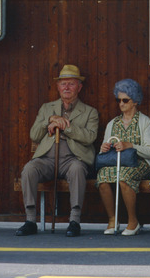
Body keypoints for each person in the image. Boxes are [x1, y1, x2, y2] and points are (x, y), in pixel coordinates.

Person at [17, 64, 99, 237]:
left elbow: (90, 137)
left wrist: (65, 127)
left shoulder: (90, 112)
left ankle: (74, 221)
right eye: (63, 84)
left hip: (72, 159)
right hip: (46, 160)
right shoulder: (47, 108)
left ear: (79, 87)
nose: (67, 87)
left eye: (71, 83)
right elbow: (34, 135)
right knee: (29, 169)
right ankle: (30, 221)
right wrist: (50, 120)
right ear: (58, 87)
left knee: (77, 169)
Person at [96, 78, 150, 236]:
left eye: (125, 100)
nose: (121, 104)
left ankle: (133, 221)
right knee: (102, 176)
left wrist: (131, 145)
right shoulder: (113, 123)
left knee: (123, 177)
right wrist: (104, 148)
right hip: (116, 162)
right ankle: (112, 219)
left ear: (135, 101)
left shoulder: (145, 122)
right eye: (118, 100)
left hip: (141, 163)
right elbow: (104, 149)